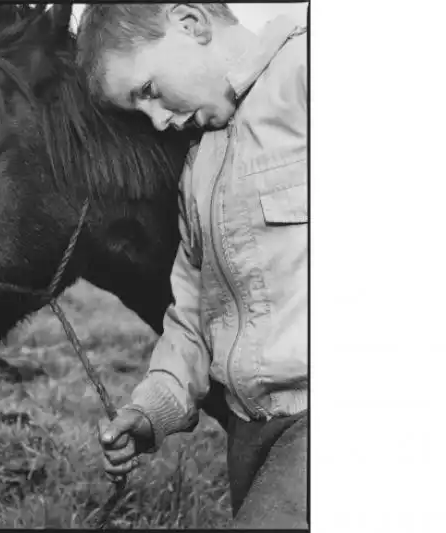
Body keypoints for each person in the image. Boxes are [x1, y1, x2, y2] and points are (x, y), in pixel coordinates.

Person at [77, 4, 308, 528]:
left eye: (149, 92)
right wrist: (150, 410)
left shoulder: (308, 69)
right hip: (252, 430)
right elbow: (192, 315)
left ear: (190, 23)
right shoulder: (198, 169)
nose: (158, 120)